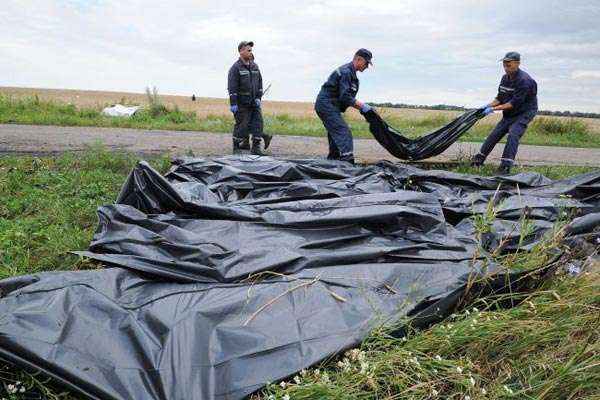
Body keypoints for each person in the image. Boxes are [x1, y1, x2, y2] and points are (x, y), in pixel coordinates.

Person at [471, 51, 538, 174]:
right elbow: (500, 98)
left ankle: (505, 166)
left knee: (513, 134)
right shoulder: (505, 78)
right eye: (504, 64)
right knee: (495, 134)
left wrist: (493, 110)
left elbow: (513, 103)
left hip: (524, 113)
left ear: (517, 63)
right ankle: (478, 159)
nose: (506, 67)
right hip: (510, 113)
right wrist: (486, 106)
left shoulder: (525, 81)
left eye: (509, 64)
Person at [315, 49, 374, 164]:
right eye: (366, 63)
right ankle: (347, 163)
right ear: (358, 59)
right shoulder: (346, 72)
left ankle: (333, 162)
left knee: (335, 134)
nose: (367, 66)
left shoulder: (351, 74)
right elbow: (345, 97)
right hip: (326, 105)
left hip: (330, 106)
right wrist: (362, 106)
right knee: (343, 132)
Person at [227, 41, 271, 155]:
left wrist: (258, 98)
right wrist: (233, 103)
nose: (251, 52)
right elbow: (232, 87)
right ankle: (236, 148)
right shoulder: (235, 68)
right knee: (242, 125)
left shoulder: (255, 66)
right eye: (248, 50)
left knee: (258, 124)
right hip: (242, 103)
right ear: (241, 51)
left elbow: (260, 82)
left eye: (251, 50)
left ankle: (256, 149)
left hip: (254, 103)